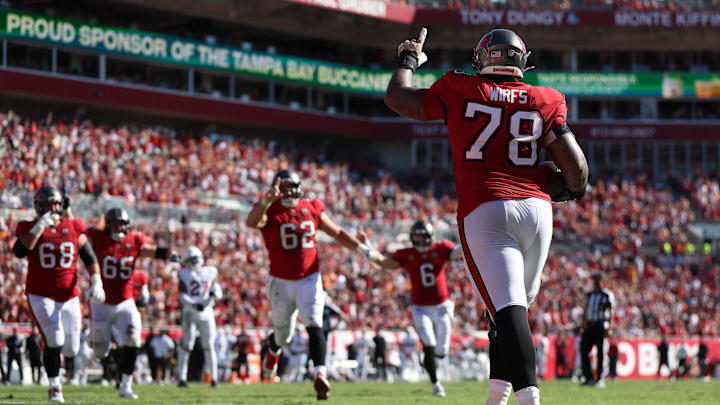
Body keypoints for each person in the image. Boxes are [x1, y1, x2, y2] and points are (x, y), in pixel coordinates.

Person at [384, 28, 588, 405]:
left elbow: (398, 97)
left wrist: (408, 60)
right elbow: (576, 164)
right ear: (522, 62)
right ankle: (498, 398)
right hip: (538, 212)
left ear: (483, 59)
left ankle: (529, 399)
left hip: (487, 207)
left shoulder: (460, 88)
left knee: (508, 310)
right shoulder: (546, 98)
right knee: (508, 311)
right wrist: (572, 190)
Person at [245, 169, 380, 400]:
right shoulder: (271, 209)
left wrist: (360, 249)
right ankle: (274, 348)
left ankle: (320, 374)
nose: (288, 191)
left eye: (291, 186)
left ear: (299, 187)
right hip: (280, 281)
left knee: (315, 323)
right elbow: (251, 222)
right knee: (283, 335)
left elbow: (336, 232)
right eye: (283, 187)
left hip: (309, 277)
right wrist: (267, 199)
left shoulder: (312, 207)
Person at [13, 186, 106, 403]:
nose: (51, 208)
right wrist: (39, 228)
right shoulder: (28, 226)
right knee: (55, 339)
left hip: (69, 295)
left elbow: (89, 256)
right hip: (41, 294)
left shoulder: (73, 226)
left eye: (54, 204)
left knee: (72, 349)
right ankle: (55, 387)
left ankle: (47, 343)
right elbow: (19, 251)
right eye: (46, 204)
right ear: (38, 206)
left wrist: (97, 281)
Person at [363, 220, 464, 396]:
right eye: (416, 236)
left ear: (430, 236)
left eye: (422, 236)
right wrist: (370, 252)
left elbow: (459, 252)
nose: (418, 239)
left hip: (441, 306)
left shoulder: (441, 248)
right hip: (421, 308)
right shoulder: (407, 254)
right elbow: (387, 263)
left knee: (442, 349)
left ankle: (437, 362)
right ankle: (436, 384)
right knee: (429, 345)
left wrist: (472, 240)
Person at [87, 208, 173, 399]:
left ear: (127, 226)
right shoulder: (98, 238)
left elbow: (148, 250)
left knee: (133, 340)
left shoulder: (134, 241)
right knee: (100, 352)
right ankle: (95, 338)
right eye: (114, 224)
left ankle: (126, 386)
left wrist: (168, 254)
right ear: (107, 226)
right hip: (101, 302)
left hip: (125, 301)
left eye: (121, 224)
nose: (118, 228)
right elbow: (82, 239)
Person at [176, 246, 222, 388]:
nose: (194, 262)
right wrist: (193, 304)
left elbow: (216, 288)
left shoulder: (210, 271)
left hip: (207, 311)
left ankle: (214, 378)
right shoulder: (184, 273)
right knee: (187, 345)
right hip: (191, 311)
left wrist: (216, 295)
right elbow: (182, 294)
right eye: (191, 260)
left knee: (209, 346)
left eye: (195, 259)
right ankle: (182, 378)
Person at [580, 273, 615, 388]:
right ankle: (588, 377)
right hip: (590, 326)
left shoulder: (607, 295)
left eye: (598, 280)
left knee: (601, 353)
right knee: (584, 350)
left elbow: (611, 311)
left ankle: (600, 378)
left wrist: (609, 327)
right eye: (594, 280)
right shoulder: (589, 295)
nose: (595, 283)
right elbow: (585, 311)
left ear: (602, 281)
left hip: (601, 325)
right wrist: (583, 325)